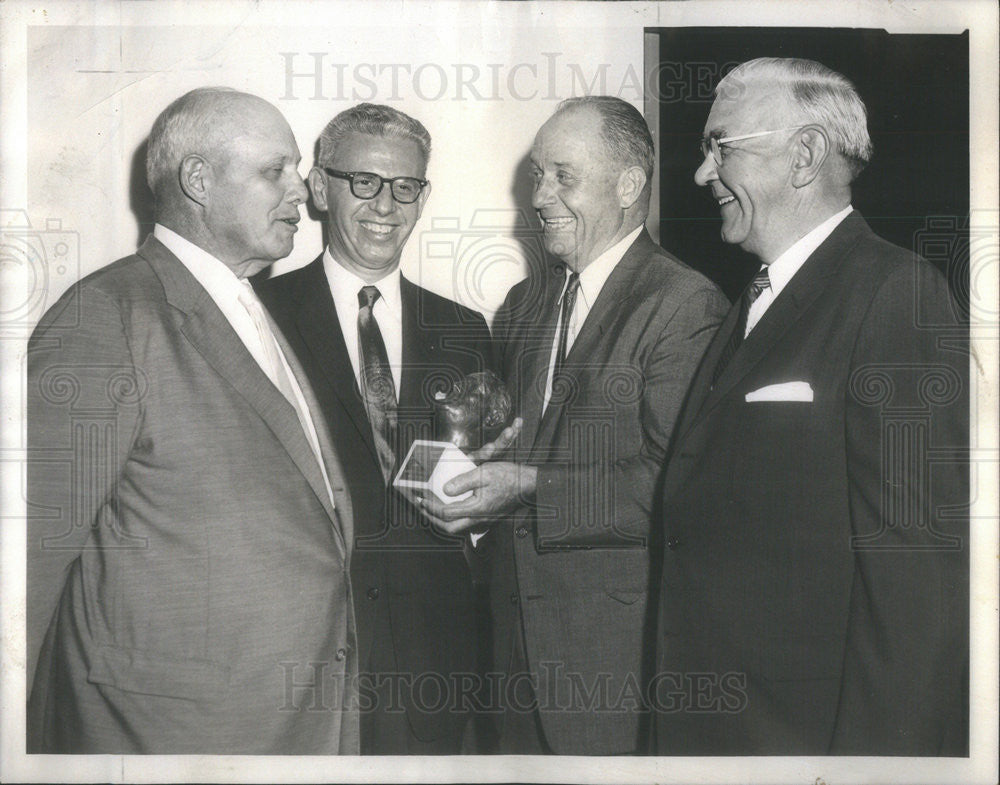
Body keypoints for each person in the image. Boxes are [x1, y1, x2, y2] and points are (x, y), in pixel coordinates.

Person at [26, 88, 358, 754]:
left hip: (293, 725)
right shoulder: (107, 317)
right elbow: (23, 571)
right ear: (198, 181)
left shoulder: (252, 304)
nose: (304, 191)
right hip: (167, 741)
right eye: (275, 171)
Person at [653, 57, 968, 755]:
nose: (703, 174)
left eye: (721, 146)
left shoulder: (896, 295)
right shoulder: (751, 302)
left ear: (804, 155)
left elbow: (917, 584)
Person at [423, 96, 729, 754]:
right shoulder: (524, 304)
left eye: (564, 175)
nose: (539, 195)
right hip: (508, 658)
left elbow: (673, 489)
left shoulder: (684, 304)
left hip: (609, 666)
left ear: (629, 184)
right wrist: (475, 435)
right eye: (536, 174)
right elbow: (516, 444)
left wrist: (529, 483)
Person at [254, 103, 494, 754]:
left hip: (437, 673)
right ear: (321, 188)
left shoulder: (466, 332)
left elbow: (477, 500)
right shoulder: (258, 318)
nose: (385, 204)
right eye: (364, 181)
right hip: (309, 664)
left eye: (405, 186)